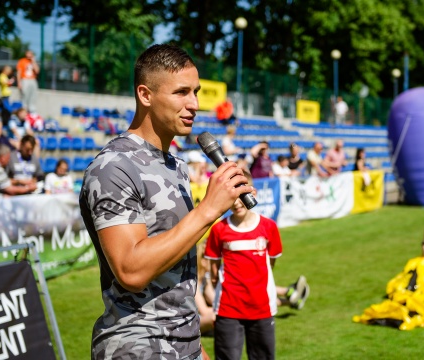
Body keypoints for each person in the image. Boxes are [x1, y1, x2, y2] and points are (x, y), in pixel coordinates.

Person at [79, 44, 253, 360]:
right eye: (181, 92)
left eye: (196, 92)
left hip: (184, 344)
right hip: (137, 346)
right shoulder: (113, 167)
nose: (195, 104)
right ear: (145, 95)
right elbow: (130, 270)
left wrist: (195, 346)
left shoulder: (176, 165)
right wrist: (208, 210)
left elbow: (177, 275)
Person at [204, 170, 284, 360]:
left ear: (252, 193)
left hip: (262, 307)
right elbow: (213, 269)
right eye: (232, 197)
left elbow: (270, 263)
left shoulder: (269, 227)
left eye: (241, 196)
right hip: (227, 309)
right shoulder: (218, 230)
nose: (237, 202)